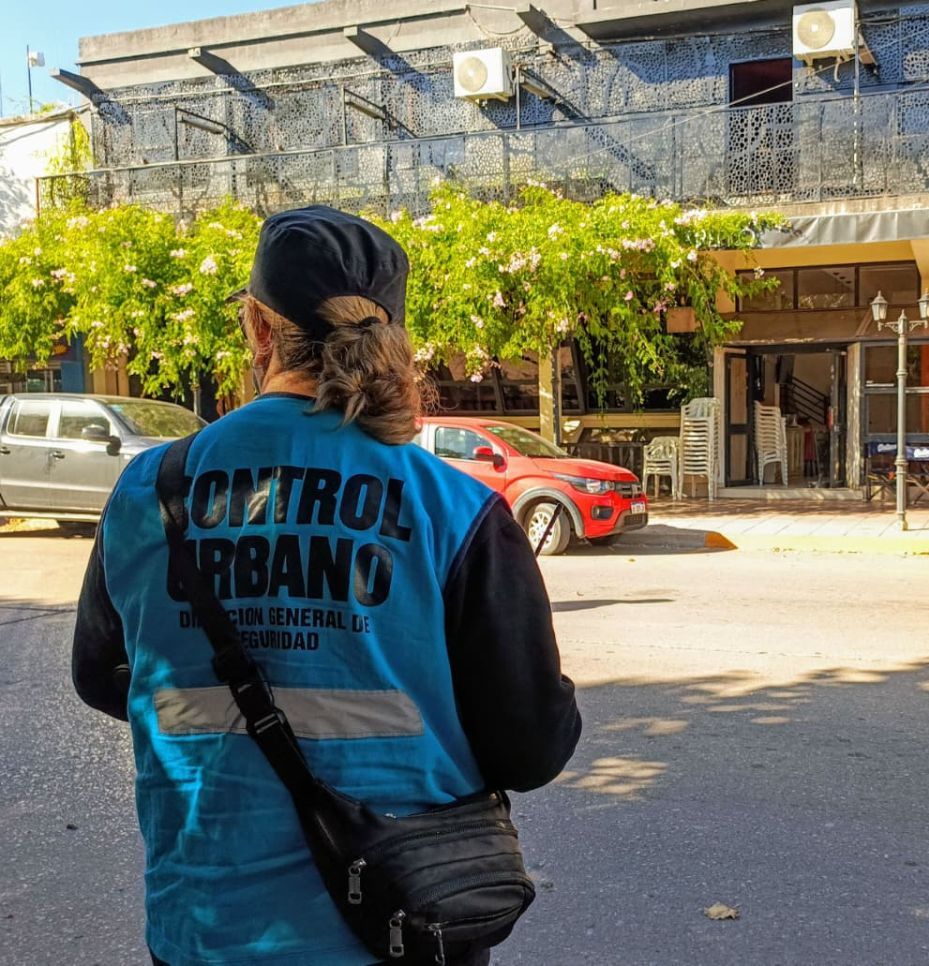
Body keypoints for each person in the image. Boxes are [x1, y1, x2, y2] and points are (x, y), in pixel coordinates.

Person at [71, 205, 582, 966]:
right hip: (402, 923)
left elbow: (101, 677)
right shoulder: (455, 507)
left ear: (259, 330)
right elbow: (531, 747)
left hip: (203, 930)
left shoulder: (150, 490)